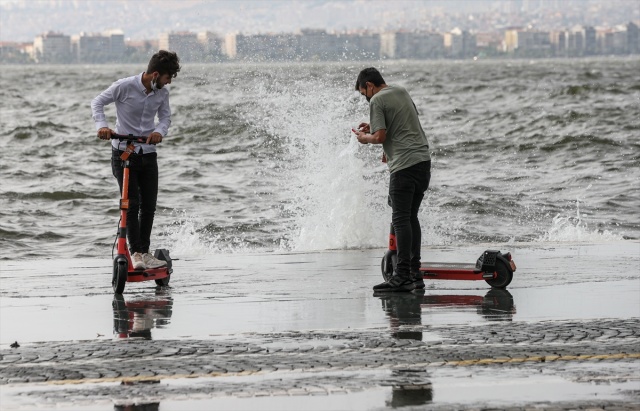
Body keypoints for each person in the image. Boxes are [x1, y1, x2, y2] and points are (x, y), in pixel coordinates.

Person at [91, 50, 181, 270]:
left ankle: (145, 252)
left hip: (148, 153)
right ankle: (136, 253)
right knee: (131, 204)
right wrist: (102, 126)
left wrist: (160, 131)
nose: (169, 82)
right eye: (168, 77)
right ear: (155, 74)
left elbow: (165, 117)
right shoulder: (124, 86)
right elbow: (97, 103)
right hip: (123, 153)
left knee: (149, 206)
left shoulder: (162, 94)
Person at [354, 67, 431, 292]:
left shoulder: (376, 100)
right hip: (423, 163)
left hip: (404, 167)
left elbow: (379, 137)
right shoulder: (401, 91)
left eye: (363, 93)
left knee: (400, 220)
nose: (365, 98)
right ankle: (415, 273)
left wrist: (364, 138)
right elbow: (407, 121)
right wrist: (379, 128)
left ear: (369, 85)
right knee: (411, 217)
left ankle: (402, 276)